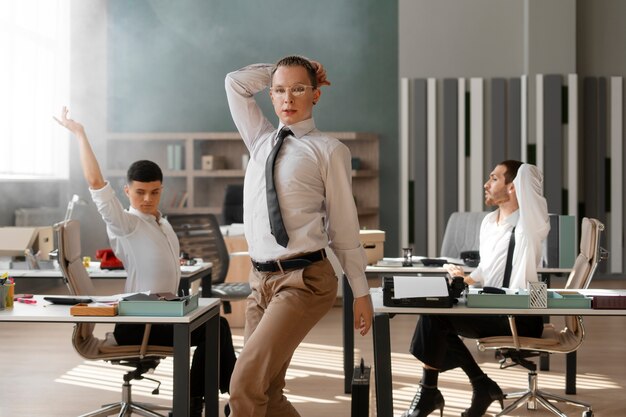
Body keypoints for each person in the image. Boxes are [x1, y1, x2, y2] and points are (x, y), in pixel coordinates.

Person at [55, 107, 236, 417]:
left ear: (161, 190)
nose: (148, 199)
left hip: (161, 315)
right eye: (140, 193)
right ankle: (206, 402)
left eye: (154, 192)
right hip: (139, 324)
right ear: (127, 191)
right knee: (213, 327)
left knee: (215, 323)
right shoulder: (126, 223)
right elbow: (96, 181)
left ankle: (222, 396)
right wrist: (80, 134)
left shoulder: (160, 222)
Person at [225, 56, 373, 416]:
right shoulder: (259, 140)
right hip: (260, 280)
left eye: (298, 89)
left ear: (316, 95)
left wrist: (361, 290)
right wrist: (291, 66)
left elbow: (343, 226)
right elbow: (235, 82)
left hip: (304, 279)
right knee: (267, 391)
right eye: (279, 90)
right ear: (271, 96)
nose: (287, 98)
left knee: (244, 384)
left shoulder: (329, 150)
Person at [403, 160, 550, 417]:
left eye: (494, 178)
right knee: (436, 315)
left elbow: (529, 173)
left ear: (514, 186)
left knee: (436, 318)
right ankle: (475, 386)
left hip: (522, 315)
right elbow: (484, 271)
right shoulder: (488, 222)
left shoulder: (531, 224)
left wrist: (518, 174)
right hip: (493, 307)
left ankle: (439, 392)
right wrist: (462, 278)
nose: (486, 183)